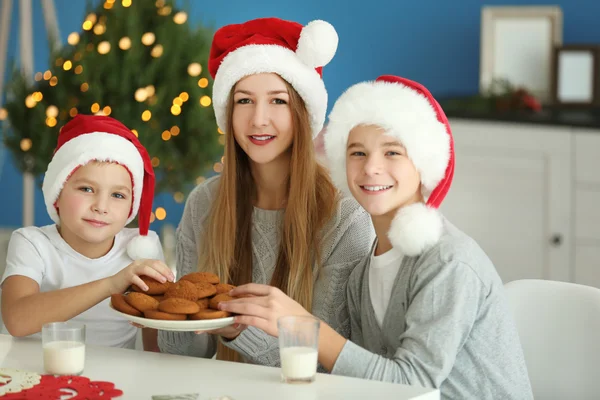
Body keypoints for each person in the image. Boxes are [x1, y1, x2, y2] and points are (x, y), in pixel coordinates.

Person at [219, 75, 534, 399]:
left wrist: (302, 325)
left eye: (392, 153)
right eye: (357, 153)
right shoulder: (363, 276)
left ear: (423, 162)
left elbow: (413, 385)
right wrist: (244, 326)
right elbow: (355, 375)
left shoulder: (449, 262)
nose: (371, 168)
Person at [157, 17, 374, 364]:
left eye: (277, 101)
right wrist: (169, 307)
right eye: (244, 101)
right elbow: (182, 354)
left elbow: (325, 359)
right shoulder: (204, 204)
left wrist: (237, 328)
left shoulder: (345, 220)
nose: (258, 119)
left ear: (302, 112)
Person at [1, 114, 174, 350]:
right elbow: (16, 321)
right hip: (38, 376)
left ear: (131, 207)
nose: (101, 207)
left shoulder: (143, 248)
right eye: (86, 188)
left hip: (116, 381)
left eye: (118, 195)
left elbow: (156, 346)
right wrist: (111, 285)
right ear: (57, 193)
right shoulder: (32, 243)